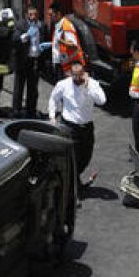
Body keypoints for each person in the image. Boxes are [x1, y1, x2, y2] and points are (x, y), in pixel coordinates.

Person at [48, 61, 107, 195]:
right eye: (74, 76)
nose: (77, 79)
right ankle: (73, 188)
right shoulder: (63, 85)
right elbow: (53, 99)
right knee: (72, 159)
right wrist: (52, 117)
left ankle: (71, 180)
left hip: (86, 127)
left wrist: (88, 87)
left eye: (79, 76)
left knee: (86, 156)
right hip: (69, 127)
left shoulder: (92, 84)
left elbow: (102, 101)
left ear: (84, 73)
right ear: (70, 74)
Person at [12, 5, 45, 118]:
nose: (33, 17)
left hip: (35, 60)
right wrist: (25, 36)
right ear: (26, 15)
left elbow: (44, 38)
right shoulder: (21, 24)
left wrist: (43, 47)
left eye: (35, 14)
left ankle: (31, 111)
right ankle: (16, 111)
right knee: (19, 87)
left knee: (32, 88)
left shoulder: (41, 25)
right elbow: (15, 39)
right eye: (31, 14)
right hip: (22, 61)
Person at [49, 1, 85, 80]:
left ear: (58, 14)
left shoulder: (66, 25)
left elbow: (73, 44)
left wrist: (60, 41)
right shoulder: (58, 25)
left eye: (51, 15)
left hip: (69, 66)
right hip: (62, 64)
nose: (50, 17)